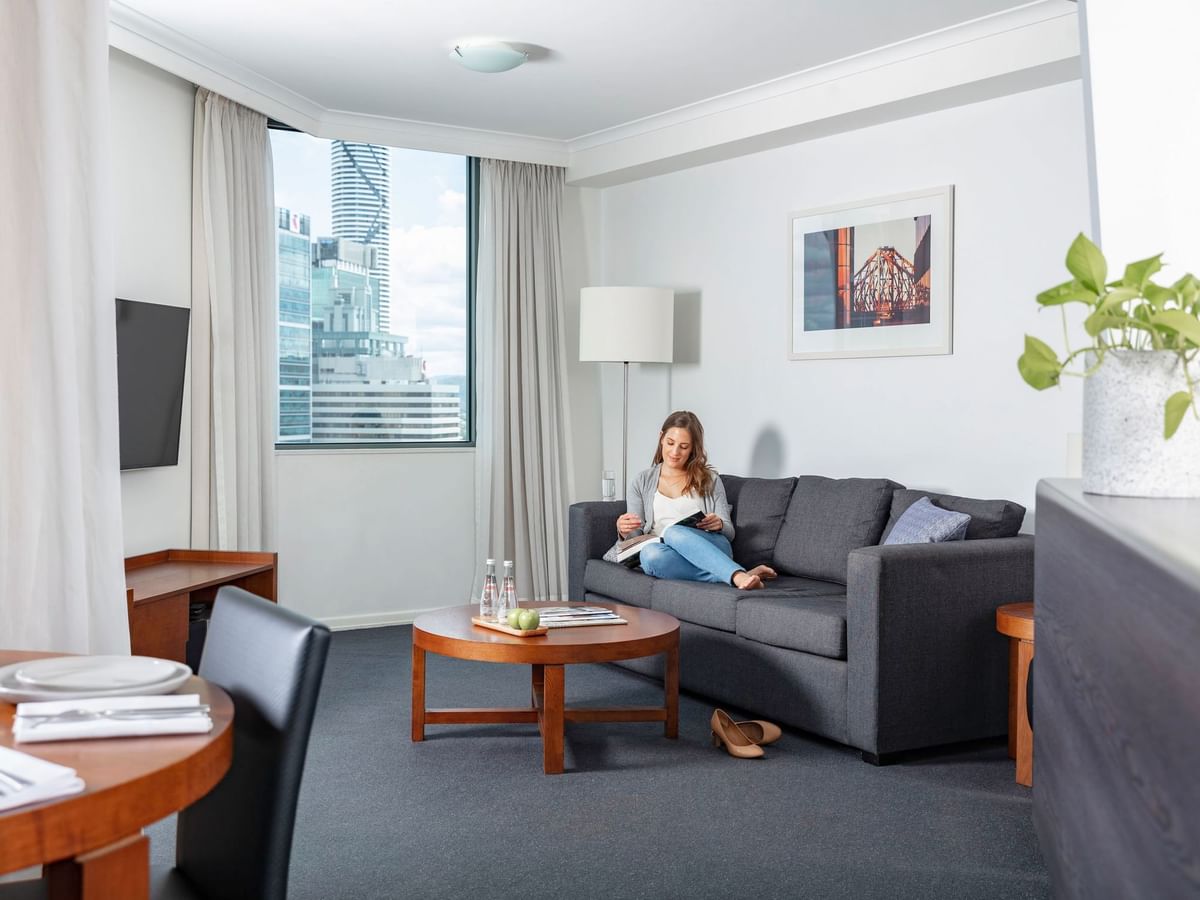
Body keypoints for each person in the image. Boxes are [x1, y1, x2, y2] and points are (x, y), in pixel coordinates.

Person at [616, 410, 776, 590]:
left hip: (712, 547)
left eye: (684, 447)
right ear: (661, 438)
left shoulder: (710, 479)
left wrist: (720, 525)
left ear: (693, 448)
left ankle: (736, 575)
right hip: (667, 553)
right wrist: (624, 530)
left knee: (673, 532)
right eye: (670, 443)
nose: (675, 452)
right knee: (648, 556)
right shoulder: (641, 481)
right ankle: (739, 575)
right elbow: (636, 537)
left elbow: (729, 532)